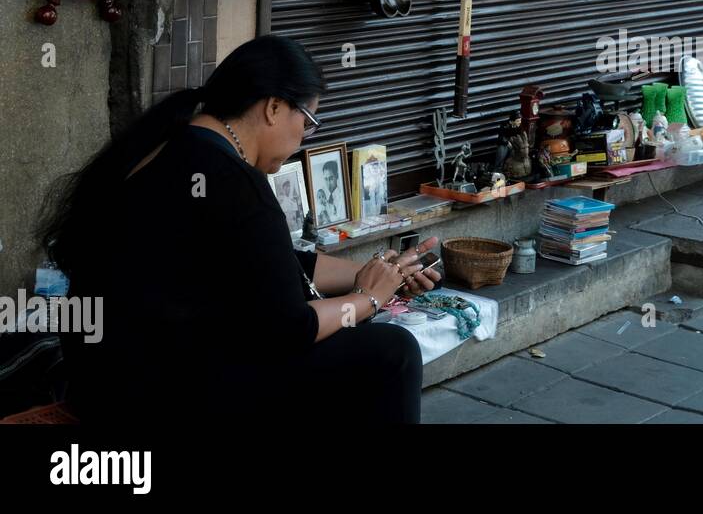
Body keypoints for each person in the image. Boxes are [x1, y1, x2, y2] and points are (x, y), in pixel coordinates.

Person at [39, 35, 441, 424]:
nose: (304, 138)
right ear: (274, 107)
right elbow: (290, 331)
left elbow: (271, 263)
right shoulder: (236, 183)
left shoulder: (166, 145)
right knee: (393, 350)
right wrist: (369, 298)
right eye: (309, 122)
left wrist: (375, 273)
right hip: (159, 399)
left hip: (101, 382)